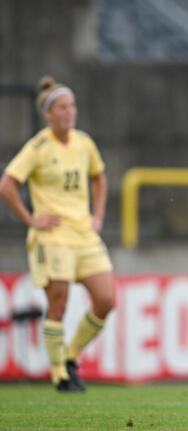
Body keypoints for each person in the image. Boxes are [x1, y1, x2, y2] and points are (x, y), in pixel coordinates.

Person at [0, 76, 115, 393]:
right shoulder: (38, 147)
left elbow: (99, 178)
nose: (69, 112)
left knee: (106, 299)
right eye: (62, 107)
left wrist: (98, 216)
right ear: (48, 113)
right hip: (53, 237)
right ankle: (60, 375)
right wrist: (31, 220)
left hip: (84, 235)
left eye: (72, 105)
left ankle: (71, 355)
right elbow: (7, 185)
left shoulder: (84, 143)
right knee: (58, 304)